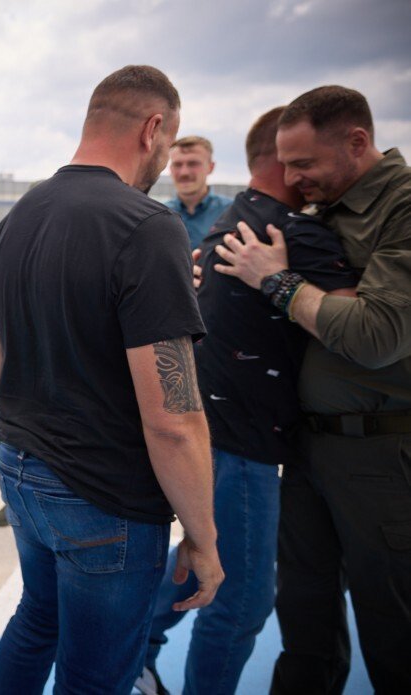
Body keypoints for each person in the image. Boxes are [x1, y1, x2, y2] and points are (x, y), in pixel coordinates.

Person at [0, 65, 223, 695]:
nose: (165, 162)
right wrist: (202, 537)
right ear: (153, 129)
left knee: (37, 620)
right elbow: (174, 420)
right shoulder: (147, 225)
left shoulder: (18, 217)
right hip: (104, 494)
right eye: (168, 146)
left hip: (21, 464)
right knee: (96, 676)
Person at [137, 108, 358, 695]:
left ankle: (135, 649)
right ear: (281, 158)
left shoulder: (227, 221)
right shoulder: (294, 235)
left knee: (205, 560)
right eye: (302, 162)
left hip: (219, 427)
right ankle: (137, 651)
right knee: (240, 603)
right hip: (245, 441)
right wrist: (286, 282)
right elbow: (364, 333)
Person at [213, 85, 411, 695]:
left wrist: (277, 283)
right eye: (286, 165)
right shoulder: (324, 205)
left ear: (357, 141)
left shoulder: (402, 207)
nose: (294, 179)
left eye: (304, 163)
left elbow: (377, 334)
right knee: (304, 617)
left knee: (393, 626)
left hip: (380, 453)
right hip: (307, 447)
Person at [165, 136, 233, 248]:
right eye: (177, 164)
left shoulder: (231, 212)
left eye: (193, 164)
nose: (184, 172)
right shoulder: (159, 214)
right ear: (170, 169)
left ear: (211, 167)